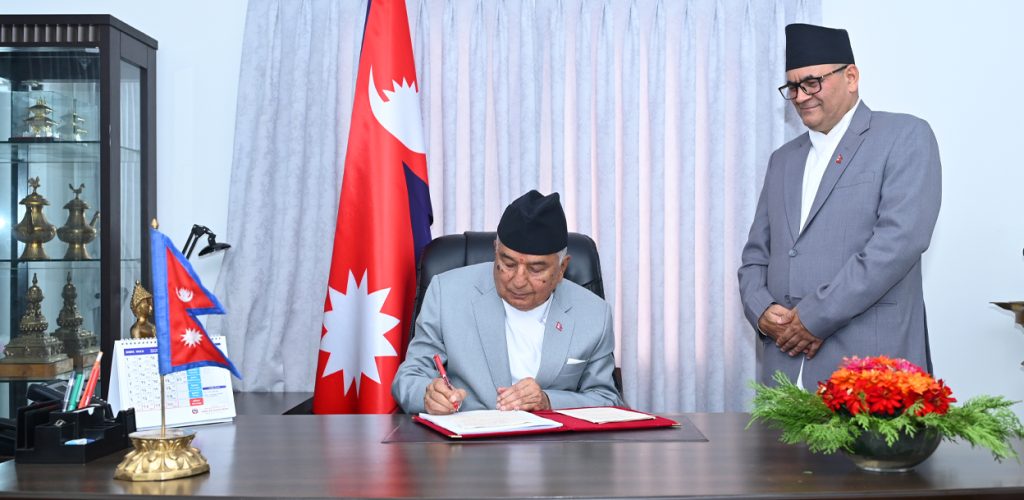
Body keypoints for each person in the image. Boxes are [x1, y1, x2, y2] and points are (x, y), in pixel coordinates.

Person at [737, 23, 941, 390]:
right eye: (793, 87)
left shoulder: (904, 136)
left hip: (868, 370)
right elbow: (755, 256)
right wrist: (761, 309)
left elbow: (897, 244)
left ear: (851, 77)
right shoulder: (783, 160)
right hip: (783, 371)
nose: (801, 97)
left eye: (812, 83)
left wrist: (813, 317)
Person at [393, 190, 623, 414]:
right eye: (508, 264)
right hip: (469, 436)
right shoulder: (447, 293)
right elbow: (409, 378)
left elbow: (608, 400)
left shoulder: (594, 314)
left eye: (536, 269)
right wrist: (428, 395)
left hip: (551, 439)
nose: (518, 281)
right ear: (496, 251)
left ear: (562, 268)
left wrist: (548, 401)